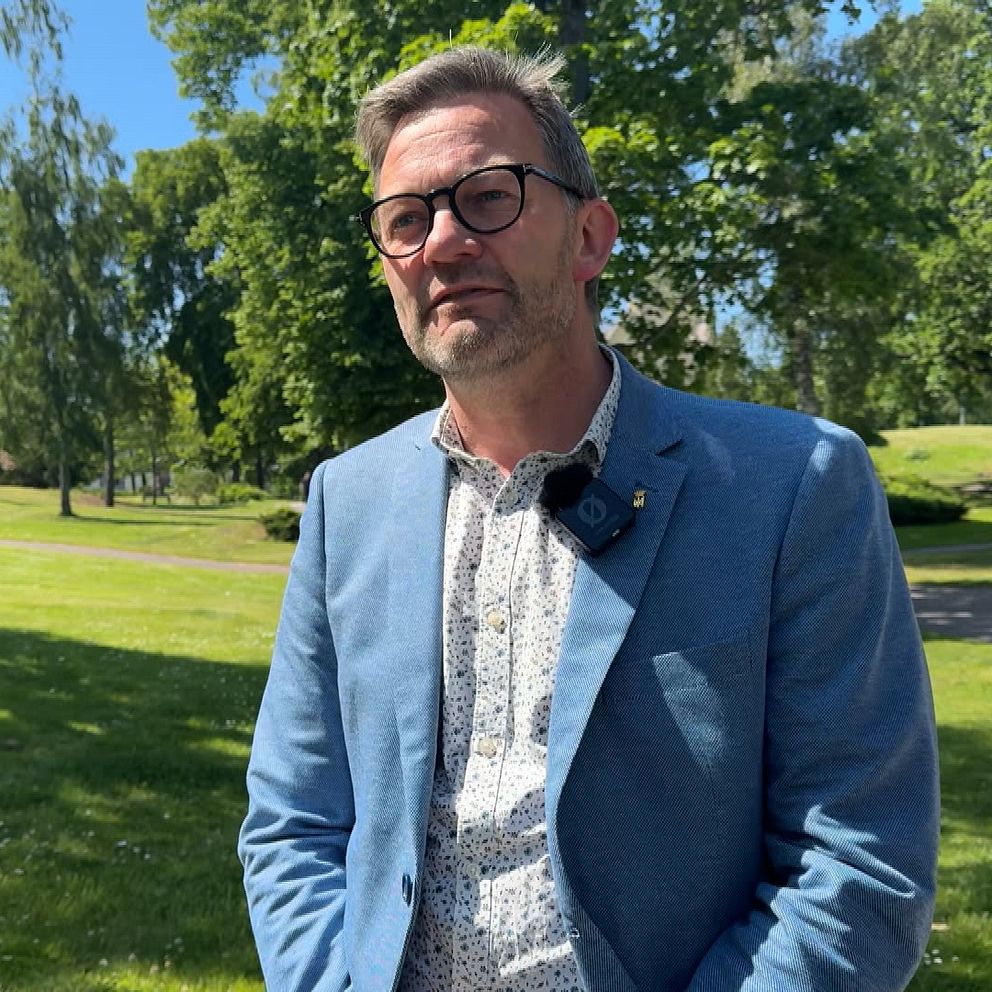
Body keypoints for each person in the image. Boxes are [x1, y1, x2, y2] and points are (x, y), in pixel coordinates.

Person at [238, 46, 939, 992]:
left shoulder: (794, 485)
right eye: (405, 219)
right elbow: (292, 824)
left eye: (489, 197)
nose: (442, 242)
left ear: (589, 238)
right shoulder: (346, 501)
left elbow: (858, 862)